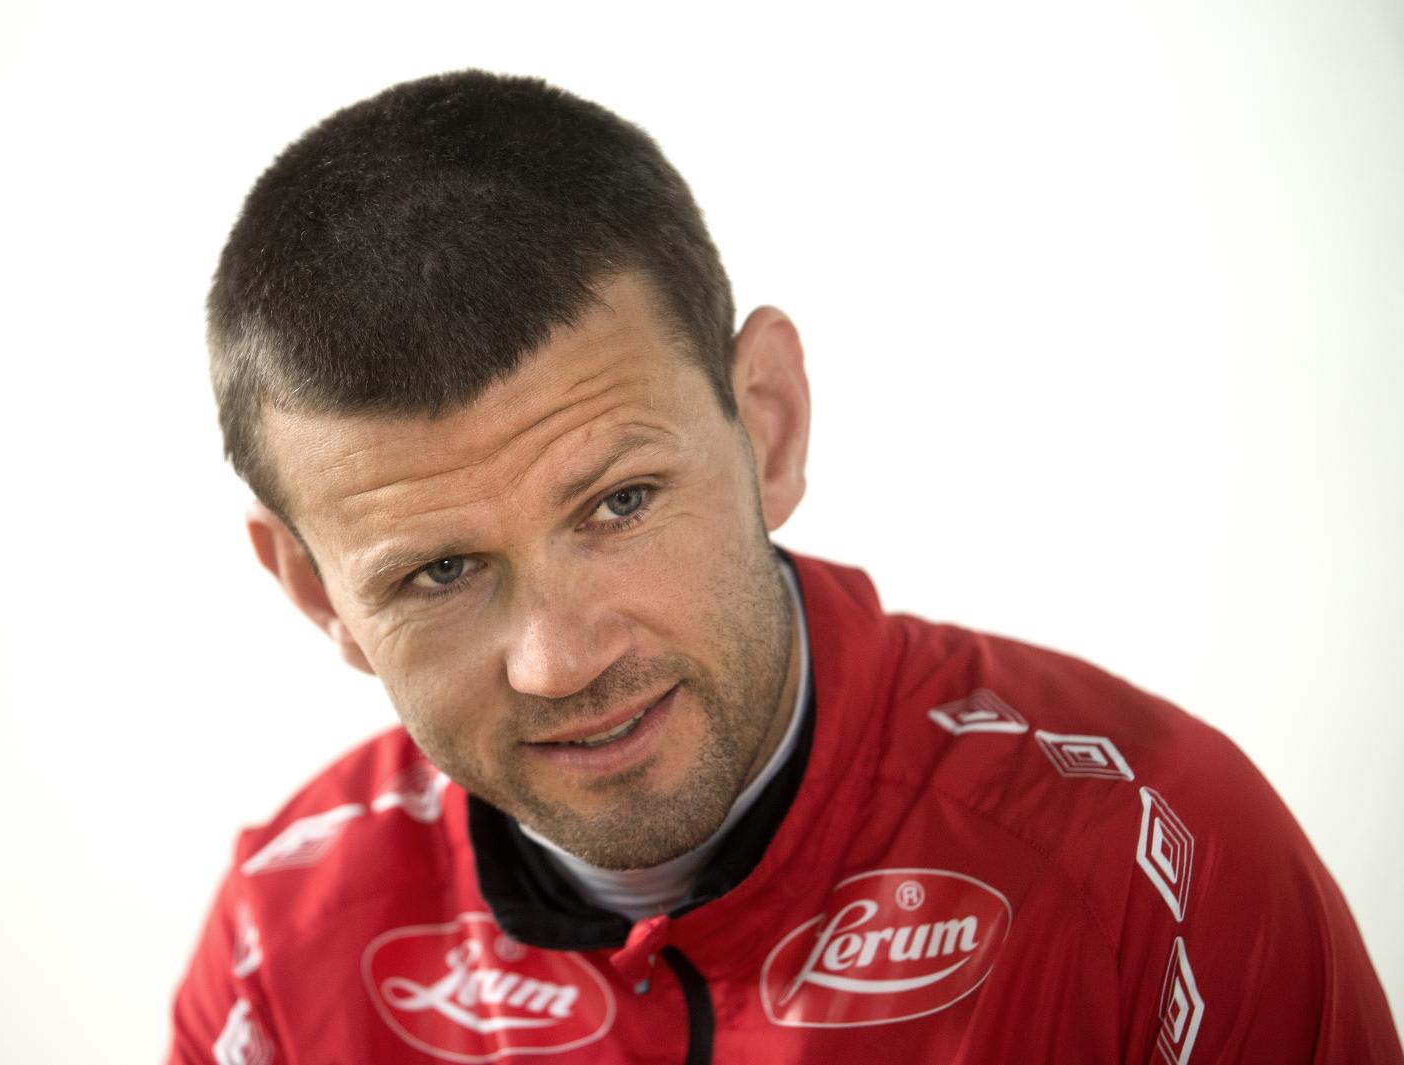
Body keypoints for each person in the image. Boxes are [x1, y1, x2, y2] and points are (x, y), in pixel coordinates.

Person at [170, 70, 1401, 1064]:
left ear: (768, 425)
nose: (559, 661)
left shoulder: (1153, 855)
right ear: (318, 591)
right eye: (439, 573)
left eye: (619, 504)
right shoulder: (277, 945)